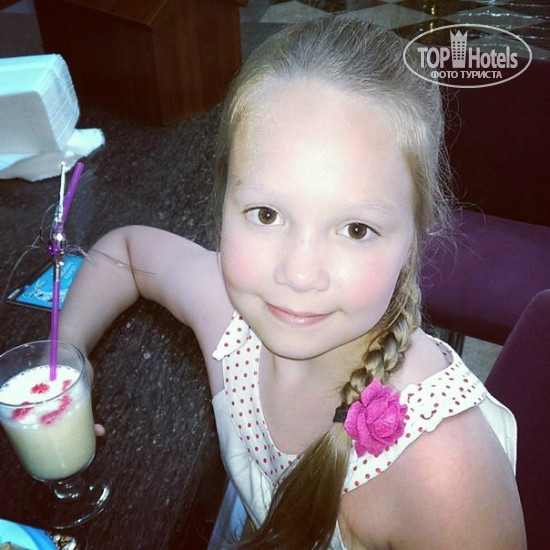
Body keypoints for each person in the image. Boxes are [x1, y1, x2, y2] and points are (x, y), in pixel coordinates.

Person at [59, 16, 526, 550]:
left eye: (356, 229)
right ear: (223, 201)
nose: (299, 274)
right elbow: (125, 250)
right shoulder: (231, 323)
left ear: (414, 240)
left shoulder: (444, 474)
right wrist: (68, 354)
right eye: (266, 214)